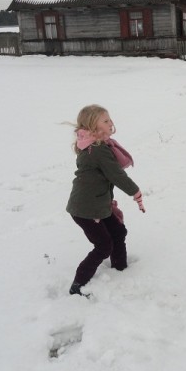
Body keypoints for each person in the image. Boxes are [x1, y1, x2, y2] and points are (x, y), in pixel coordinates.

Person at [66, 104, 145, 296]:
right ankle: (77, 285)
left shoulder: (94, 144)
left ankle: (120, 269)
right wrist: (135, 192)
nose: (111, 123)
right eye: (106, 120)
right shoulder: (98, 148)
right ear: (93, 126)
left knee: (118, 231)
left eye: (110, 119)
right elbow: (115, 174)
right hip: (86, 210)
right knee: (103, 246)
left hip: (97, 203)